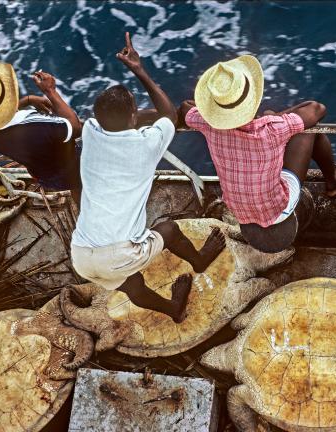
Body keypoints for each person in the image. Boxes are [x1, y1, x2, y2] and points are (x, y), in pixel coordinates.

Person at [71, 33, 225, 323]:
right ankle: (200, 260)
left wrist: (131, 116)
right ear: (133, 117)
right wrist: (138, 70)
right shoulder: (144, 145)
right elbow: (169, 115)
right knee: (167, 231)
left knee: (129, 284)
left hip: (82, 255)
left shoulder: (90, 130)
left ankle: (172, 309)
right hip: (118, 255)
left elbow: (136, 118)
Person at [179, 55, 336, 253]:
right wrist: (274, 118)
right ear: (252, 97)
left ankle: (332, 180)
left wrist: (212, 110)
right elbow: (316, 109)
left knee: (276, 122)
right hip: (278, 209)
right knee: (311, 131)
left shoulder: (208, 124)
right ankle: (333, 182)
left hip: (242, 213)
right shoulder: (271, 129)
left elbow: (185, 108)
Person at [0, 62, 83, 204]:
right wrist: (50, 90)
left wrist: (27, 100)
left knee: (74, 185)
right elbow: (76, 127)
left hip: (43, 176)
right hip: (72, 169)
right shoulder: (38, 126)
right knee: (79, 182)